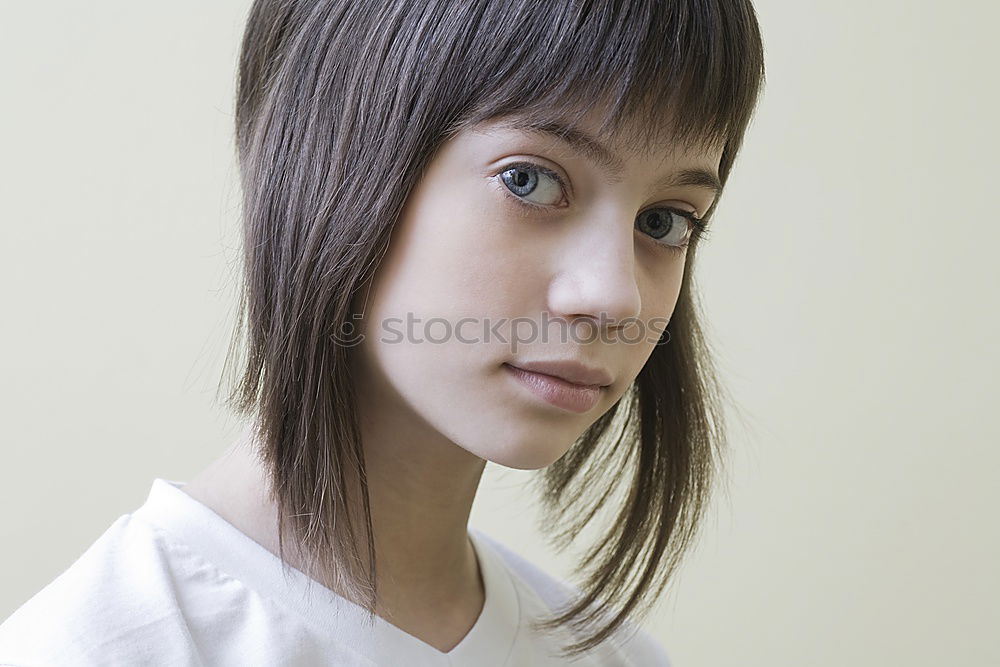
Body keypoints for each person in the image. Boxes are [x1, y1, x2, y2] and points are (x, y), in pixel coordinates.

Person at [0, 0, 765, 664]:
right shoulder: (96, 649)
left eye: (664, 222)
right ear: (329, 156)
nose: (614, 294)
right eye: (530, 180)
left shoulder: (616, 657)